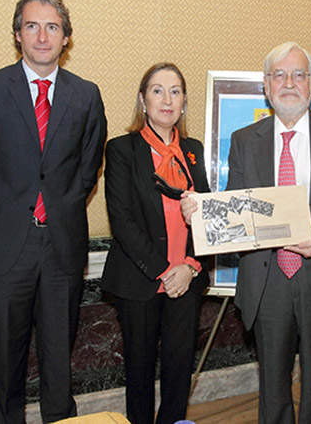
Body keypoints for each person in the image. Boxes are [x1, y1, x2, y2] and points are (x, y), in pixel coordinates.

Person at [183, 41, 311, 424]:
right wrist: (201, 213)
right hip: (267, 280)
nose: (289, 83)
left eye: (298, 74)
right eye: (279, 75)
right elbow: (236, 212)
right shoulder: (243, 140)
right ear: (266, 86)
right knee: (272, 384)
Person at [0, 0, 107, 424]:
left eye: (52, 27)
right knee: (6, 358)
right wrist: (7, 208)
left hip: (62, 246)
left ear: (66, 38)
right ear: (17, 35)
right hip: (6, 248)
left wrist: (56, 207)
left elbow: (87, 167)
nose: (42, 35)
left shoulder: (85, 95)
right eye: (32, 26)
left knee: (60, 357)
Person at [101, 63, 210, 424]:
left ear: (184, 101)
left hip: (187, 280)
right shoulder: (121, 150)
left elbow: (210, 219)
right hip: (142, 281)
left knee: (179, 371)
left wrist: (190, 267)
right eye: (158, 90)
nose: (167, 99)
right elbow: (123, 223)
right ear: (143, 100)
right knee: (140, 372)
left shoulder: (193, 151)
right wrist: (166, 272)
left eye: (176, 90)